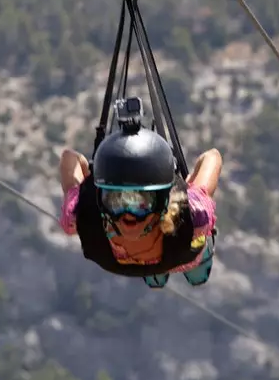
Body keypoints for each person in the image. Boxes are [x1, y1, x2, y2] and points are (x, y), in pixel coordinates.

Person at [57, 118, 221, 288]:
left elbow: (69, 157)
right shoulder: (194, 214)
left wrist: (91, 178)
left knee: (195, 263)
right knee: (196, 264)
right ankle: (160, 271)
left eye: (140, 203)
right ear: (102, 202)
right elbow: (212, 156)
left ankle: (157, 273)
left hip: (177, 249)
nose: (127, 214)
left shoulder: (192, 214)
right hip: (178, 253)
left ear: (161, 204)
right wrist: (190, 187)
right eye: (116, 201)